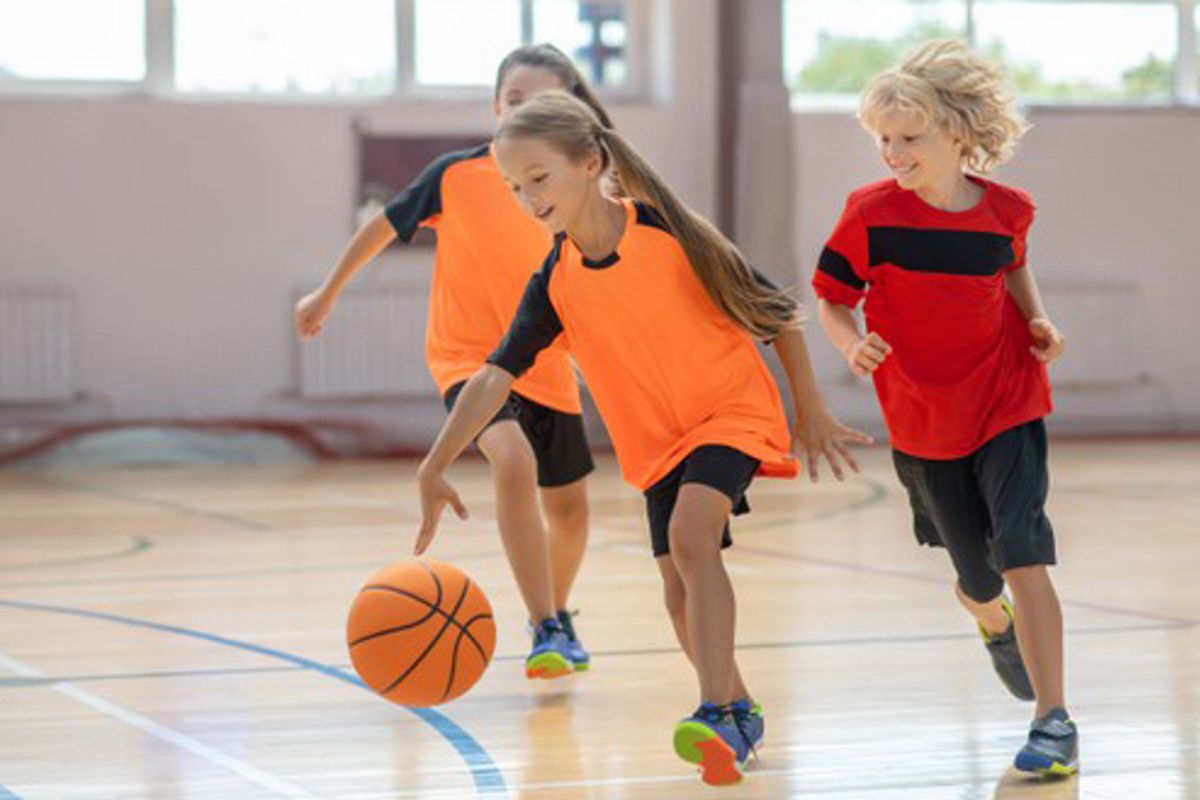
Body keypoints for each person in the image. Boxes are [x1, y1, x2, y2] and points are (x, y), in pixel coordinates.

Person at [414, 90, 870, 786]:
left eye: (539, 178)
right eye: (513, 186)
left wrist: (807, 408)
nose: (526, 196)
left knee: (693, 539)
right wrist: (435, 462)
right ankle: (741, 706)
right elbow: (493, 378)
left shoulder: (667, 230)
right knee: (677, 593)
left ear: (591, 162)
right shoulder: (555, 281)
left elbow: (775, 312)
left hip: (729, 411)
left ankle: (716, 707)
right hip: (656, 445)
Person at [295, 45, 611, 679]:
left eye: (543, 102)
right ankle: (546, 624)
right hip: (467, 357)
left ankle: (556, 611)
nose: (524, 111)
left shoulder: (581, 187)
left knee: (572, 510)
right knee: (512, 458)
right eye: (515, 100)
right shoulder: (456, 175)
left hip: (547, 365)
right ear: (496, 108)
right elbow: (382, 227)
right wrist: (328, 290)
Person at [811, 39, 1076, 775]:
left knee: (1023, 547)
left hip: (1006, 397)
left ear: (958, 132)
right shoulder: (869, 214)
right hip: (924, 419)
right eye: (884, 140)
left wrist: (1037, 322)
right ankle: (992, 621)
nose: (893, 152)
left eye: (909, 138)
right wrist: (849, 343)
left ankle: (1054, 719)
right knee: (979, 575)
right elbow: (833, 298)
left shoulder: (1008, 210)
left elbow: (1013, 267)